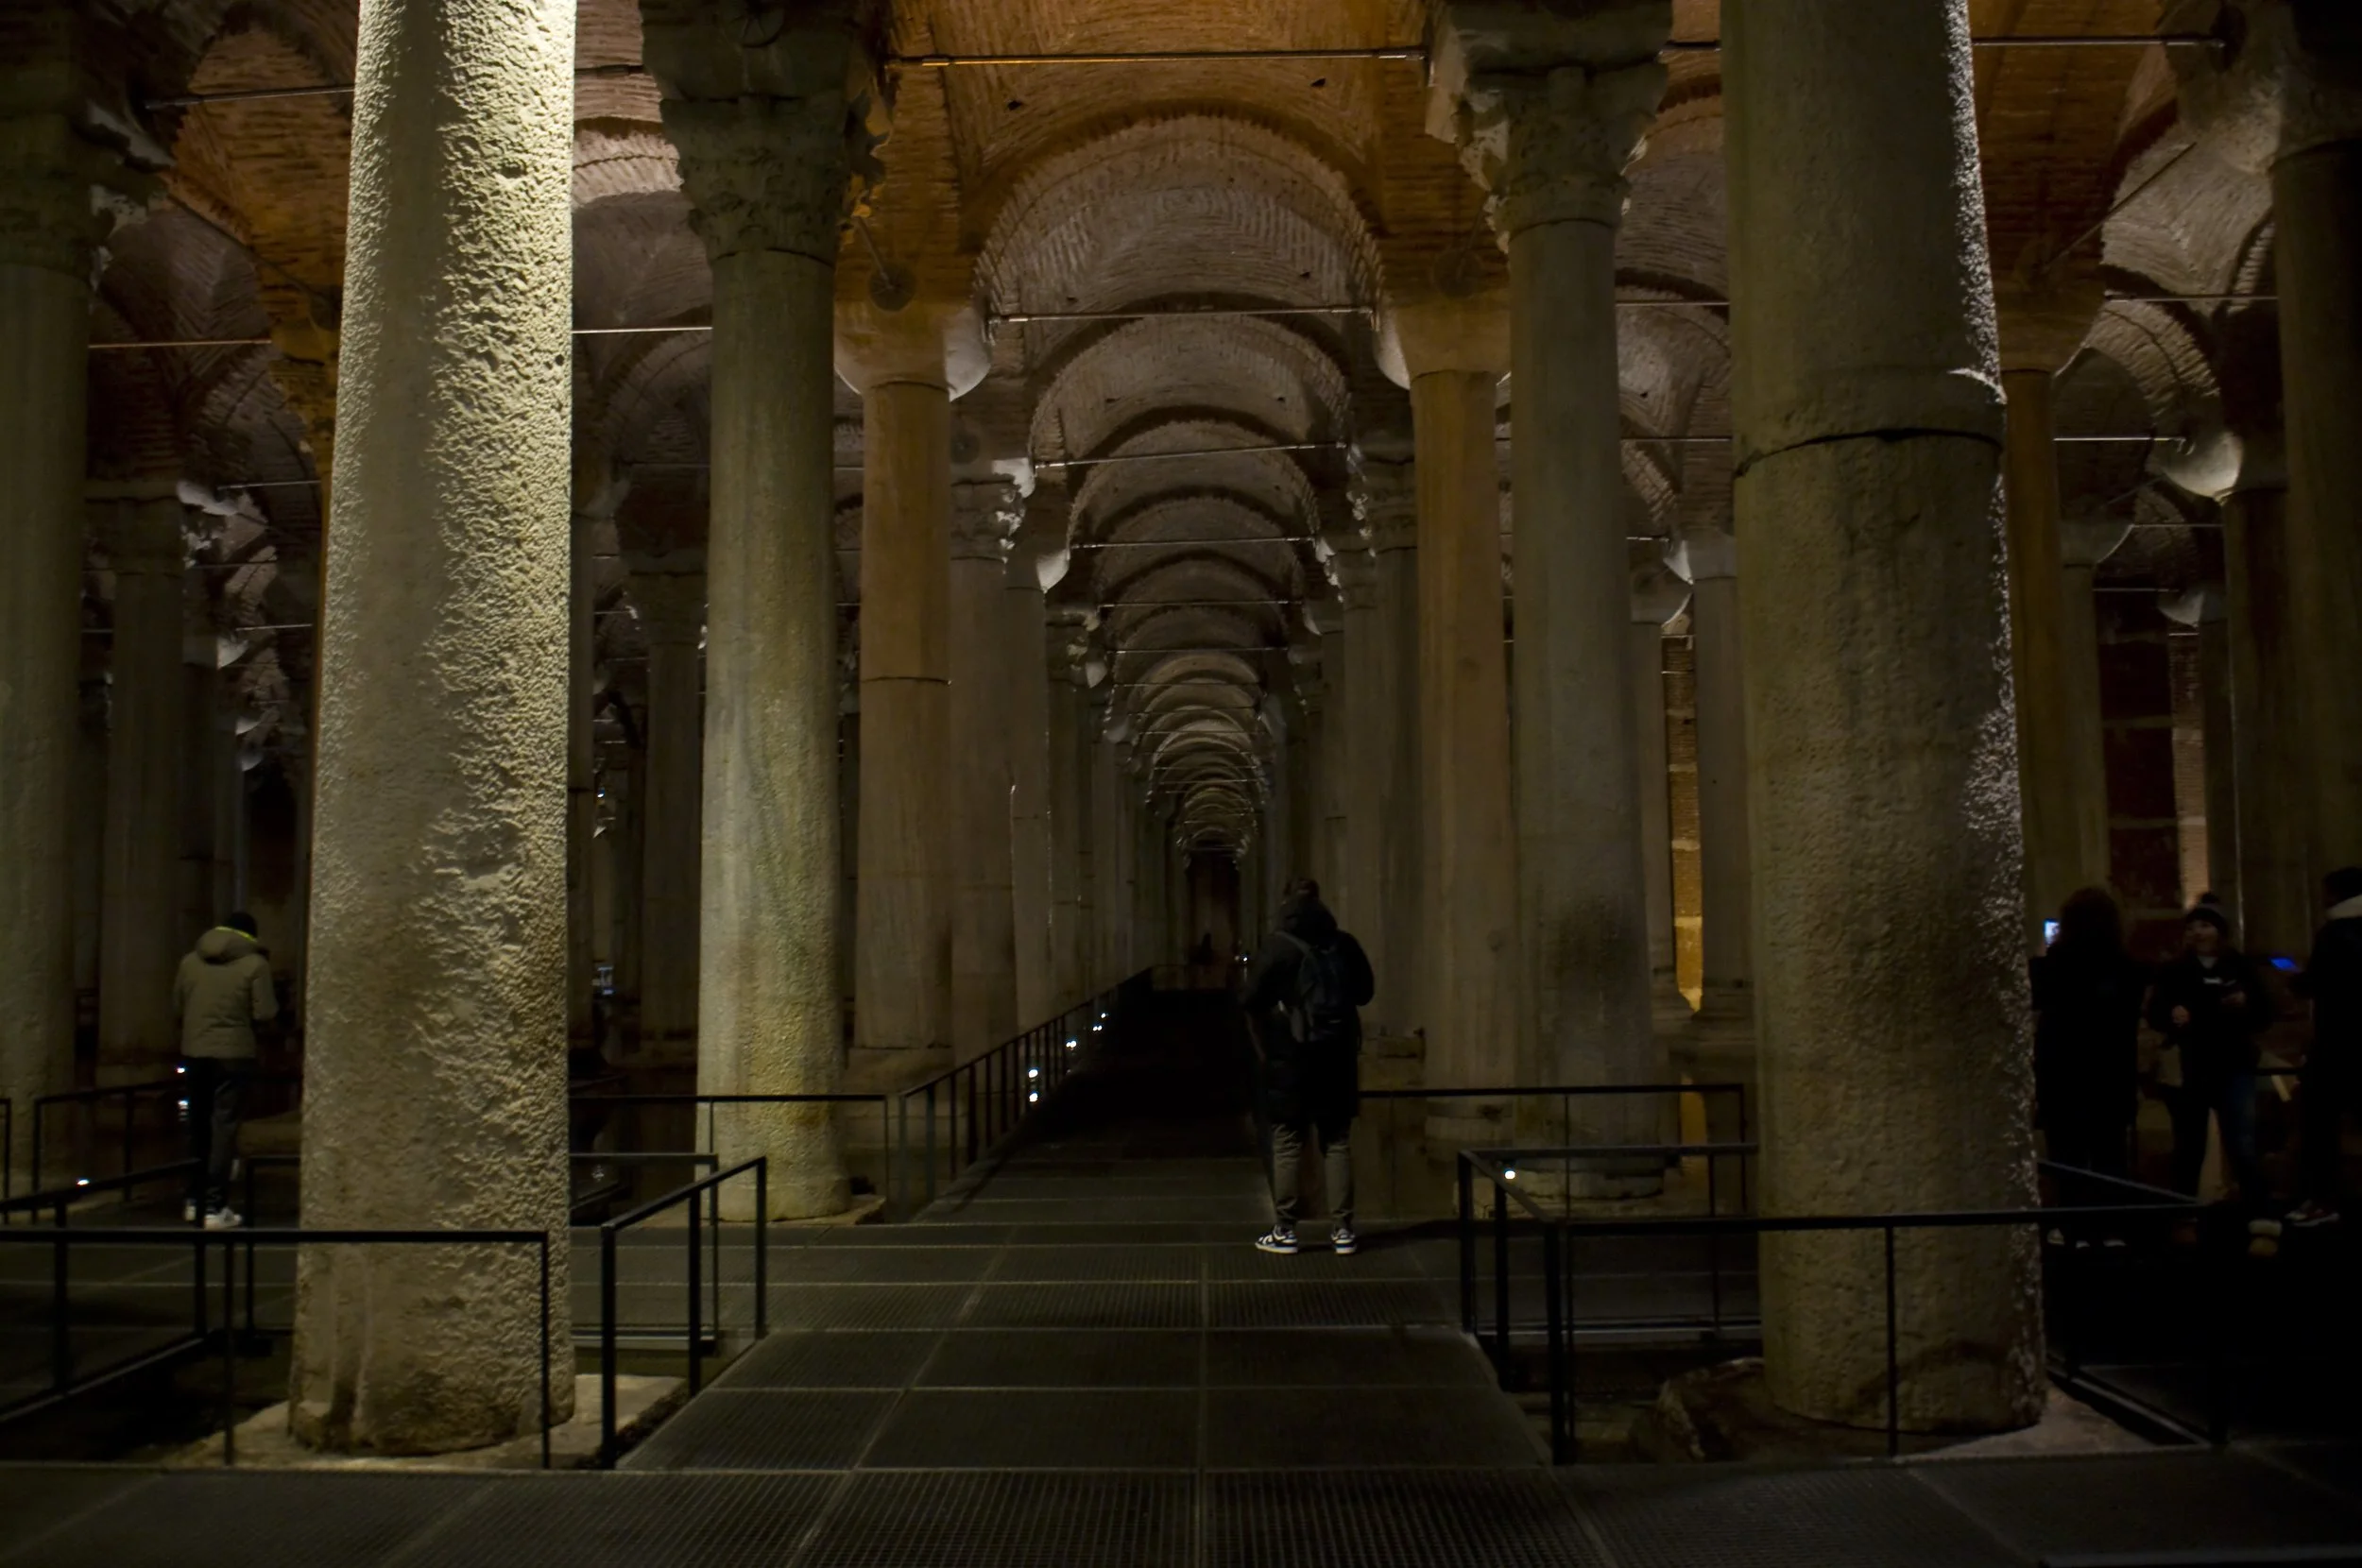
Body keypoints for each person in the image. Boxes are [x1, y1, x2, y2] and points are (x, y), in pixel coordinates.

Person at [1240, 878, 1373, 1255]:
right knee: (1337, 1142)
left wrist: (1266, 1041)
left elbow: (1249, 998)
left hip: (1291, 1057)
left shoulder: (1278, 946)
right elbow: (1365, 992)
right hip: (1338, 1056)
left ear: (1285, 905)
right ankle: (1343, 1230)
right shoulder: (1344, 944)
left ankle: (1286, 1230)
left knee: (1287, 1143)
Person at [2148, 898, 2273, 1204]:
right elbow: (2155, 1012)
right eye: (2192, 927)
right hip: (2191, 1067)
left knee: (2242, 1144)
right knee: (2189, 1146)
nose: (2198, 933)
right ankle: (2184, 1214)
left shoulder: (2240, 966)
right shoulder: (2174, 970)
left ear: (2219, 930)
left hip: (2233, 1064)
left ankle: (2258, 1215)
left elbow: (2265, 1012)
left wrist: (2244, 1005)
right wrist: (2172, 1016)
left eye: (2204, 925)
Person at [2031, 888, 2149, 1185]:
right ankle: (2110, 1228)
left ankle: (2075, 1230)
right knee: (2110, 1159)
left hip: (2061, 1078)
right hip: (2110, 1078)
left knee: (2066, 1160)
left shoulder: (2049, 969)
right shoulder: (2129, 971)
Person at [172, 912, 278, 1230]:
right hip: (234, 1055)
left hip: (194, 1051)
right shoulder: (255, 965)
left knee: (198, 1124)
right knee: (224, 1127)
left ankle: (194, 1199)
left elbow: (177, 1007)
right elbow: (265, 1012)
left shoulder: (190, 961)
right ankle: (215, 1206)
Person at [2286, 866, 2362, 1228]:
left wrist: (2293, 978)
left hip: (2336, 1045)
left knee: (2319, 1127)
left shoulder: (2334, 934)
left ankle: (2322, 1200)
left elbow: (2314, 983)